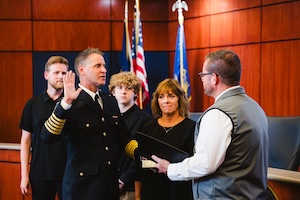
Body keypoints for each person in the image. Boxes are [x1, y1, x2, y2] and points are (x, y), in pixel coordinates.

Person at [152, 50, 269, 199]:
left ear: (214, 78)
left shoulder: (218, 114)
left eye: (203, 75)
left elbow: (205, 164)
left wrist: (170, 169)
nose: (201, 80)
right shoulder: (255, 107)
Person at [41, 47, 138, 200]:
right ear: (82, 69)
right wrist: (66, 103)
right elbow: (48, 136)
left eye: (104, 66)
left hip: (109, 187)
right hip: (82, 189)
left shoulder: (110, 101)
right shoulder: (69, 102)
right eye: (98, 66)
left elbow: (124, 139)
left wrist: (144, 154)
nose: (104, 70)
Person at [19, 56, 68, 200]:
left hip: (68, 172)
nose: (61, 76)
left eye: (64, 73)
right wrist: (24, 175)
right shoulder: (32, 104)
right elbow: (25, 141)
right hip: (40, 173)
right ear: (46, 75)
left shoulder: (73, 103)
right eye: (56, 72)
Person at [138, 78, 195, 200]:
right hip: (152, 189)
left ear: (180, 99)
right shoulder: (148, 128)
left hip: (180, 190)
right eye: (161, 97)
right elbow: (139, 165)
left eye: (171, 96)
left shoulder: (191, 127)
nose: (166, 101)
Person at [108, 71, 153, 200]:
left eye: (128, 88)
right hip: (107, 182)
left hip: (132, 184)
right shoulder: (107, 116)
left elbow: (144, 155)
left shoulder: (145, 120)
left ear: (135, 93)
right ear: (113, 92)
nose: (123, 92)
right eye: (119, 88)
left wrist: (123, 179)